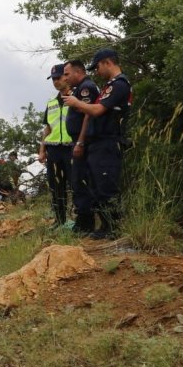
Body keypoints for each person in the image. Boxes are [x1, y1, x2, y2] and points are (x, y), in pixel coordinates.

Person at [63, 48, 132, 239]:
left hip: (108, 141)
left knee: (106, 185)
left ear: (107, 63)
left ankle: (113, 227)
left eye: (98, 67)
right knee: (97, 186)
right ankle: (105, 225)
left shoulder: (119, 84)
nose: (97, 71)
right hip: (98, 142)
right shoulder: (109, 85)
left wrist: (76, 102)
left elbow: (97, 110)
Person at [62, 59, 101, 234]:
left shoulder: (87, 87)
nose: (65, 78)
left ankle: (85, 223)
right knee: (77, 180)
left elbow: (88, 115)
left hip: (82, 141)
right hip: (77, 140)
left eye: (67, 74)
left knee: (81, 180)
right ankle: (83, 221)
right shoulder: (79, 89)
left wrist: (80, 141)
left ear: (78, 72)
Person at [38, 64, 74, 226]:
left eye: (58, 78)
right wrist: (42, 150)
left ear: (66, 77)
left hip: (71, 148)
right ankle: (59, 220)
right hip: (53, 150)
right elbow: (47, 128)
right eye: (53, 79)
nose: (55, 82)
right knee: (56, 186)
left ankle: (81, 221)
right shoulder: (51, 103)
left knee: (75, 184)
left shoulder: (76, 98)